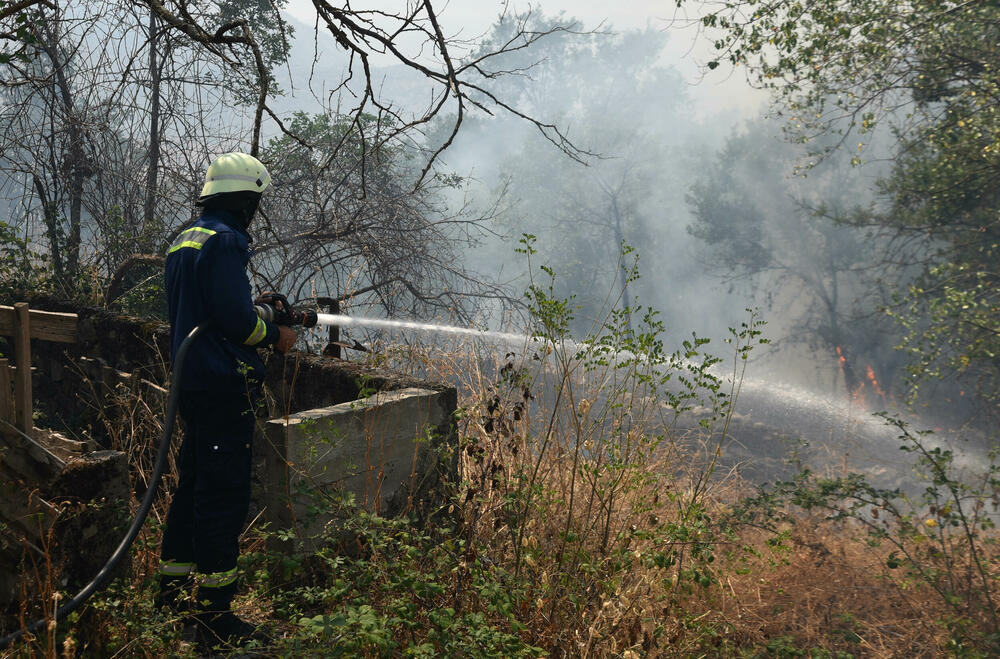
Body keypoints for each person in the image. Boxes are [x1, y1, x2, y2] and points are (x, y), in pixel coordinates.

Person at [157, 152, 296, 649]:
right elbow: (239, 325)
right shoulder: (227, 241)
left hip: (192, 383)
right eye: (255, 201)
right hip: (223, 385)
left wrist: (254, 306)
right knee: (223, 497)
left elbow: (212, 308)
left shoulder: (185, 239)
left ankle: (170, 599)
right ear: (245, 200)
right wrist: (273, 334)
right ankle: (216, 618)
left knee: (191, 485)